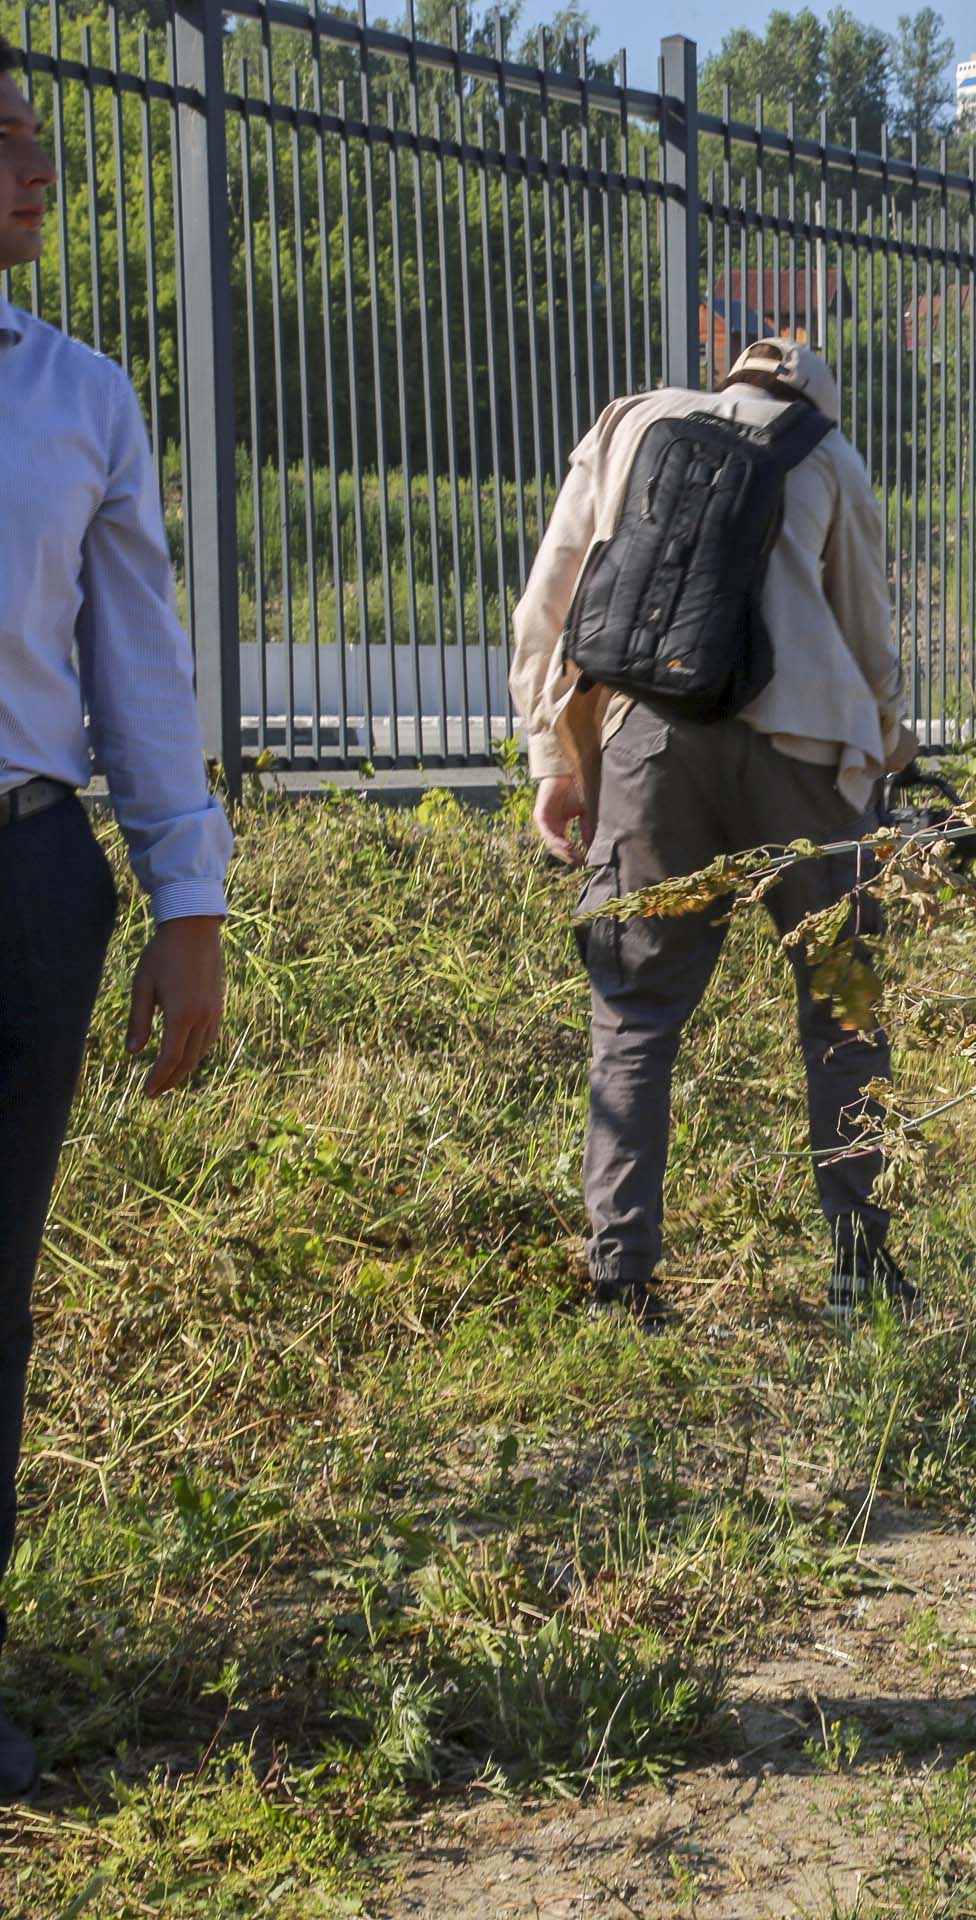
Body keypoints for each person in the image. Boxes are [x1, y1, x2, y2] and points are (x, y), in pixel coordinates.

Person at [0, 37, 232, 1798]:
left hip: (22, 878)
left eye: (38, 140)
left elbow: (137, 662)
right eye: (4, 140)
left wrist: (186, 899)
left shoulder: (78, 395)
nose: (40, 169)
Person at [510, 336, 917, 1326]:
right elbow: (868, 639)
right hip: (804, 755)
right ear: (816, 401)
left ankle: (621, 1278)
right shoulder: (829, 455)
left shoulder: (630, 423)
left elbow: (551, 595)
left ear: (728, 377)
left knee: (635, 1010)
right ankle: (860, 1267)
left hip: (651, 736)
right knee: (843, 1008)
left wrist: (554, 756)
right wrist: (887, 761)